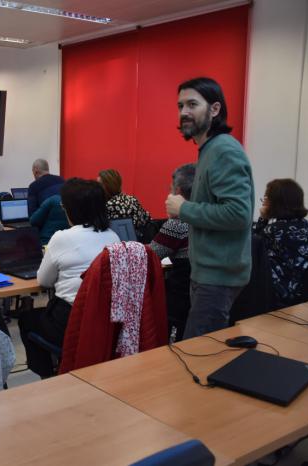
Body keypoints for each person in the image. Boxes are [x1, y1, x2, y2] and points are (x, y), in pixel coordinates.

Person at [166, 77, 254, 338]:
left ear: (214, 109)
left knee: (197, 357)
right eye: (181, 105)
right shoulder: (209, 150)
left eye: (192, 104)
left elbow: (239, 214)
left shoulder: (224, 150)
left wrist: (184, 209)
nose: (184, 112)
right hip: (209, 274)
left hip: (217, 277)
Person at [18, 178, 120, 378]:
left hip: (70, 320)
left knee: (27, 319)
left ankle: (48, 376)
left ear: (71, 209)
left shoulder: (61, 237)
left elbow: (43, 281)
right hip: (105, 321)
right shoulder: (113, 236)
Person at [253, 178, 308, 308]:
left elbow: (251, 246)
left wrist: (263, 218)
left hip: (278, 298)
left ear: (276, 203)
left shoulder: (273, 230)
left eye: (267, 199)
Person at [149, 163, 195, 341]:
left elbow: (152, 255)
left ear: (178, 192)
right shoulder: (205, 217)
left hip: (178, 299)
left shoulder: (177, 223)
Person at [98, 169, 151, 237]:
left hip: (120, 243)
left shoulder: (109, 205)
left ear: (108, 185)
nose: (97, 187)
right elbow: (146, 218)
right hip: (139, 242)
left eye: (99, 184)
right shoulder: (132, 199)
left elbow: (103, 232)